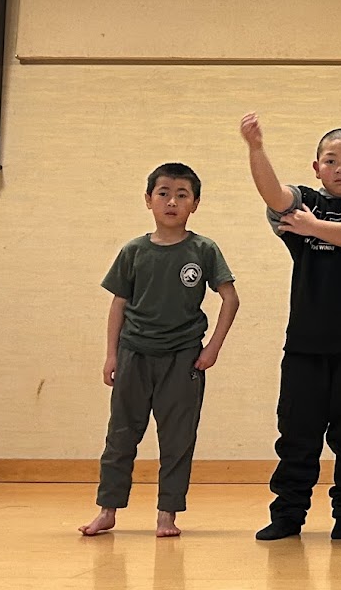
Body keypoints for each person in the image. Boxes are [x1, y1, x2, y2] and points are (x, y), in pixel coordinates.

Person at [240, 113, 341, 541]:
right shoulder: (306, 198)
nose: (340, 168)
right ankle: (288, 515)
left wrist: (311, 226)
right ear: (317, 168)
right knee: (296, 435)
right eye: (331, 161)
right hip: (305, 346)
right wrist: (256, 148)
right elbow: (276, 196)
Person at [79, 163, 239, 538]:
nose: (172, 202)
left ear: (195, 203)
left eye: (182, 195)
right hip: (134, 354)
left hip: (183, 358)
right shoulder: (134, 251)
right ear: (148, 199)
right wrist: (111, 354)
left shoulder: (203, 249)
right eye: (163, 193)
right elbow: (118, 304)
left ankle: (167, 514)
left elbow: (230, 299)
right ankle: (107, 509)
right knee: (121, 435)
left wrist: (213, 348)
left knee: (177, 439)